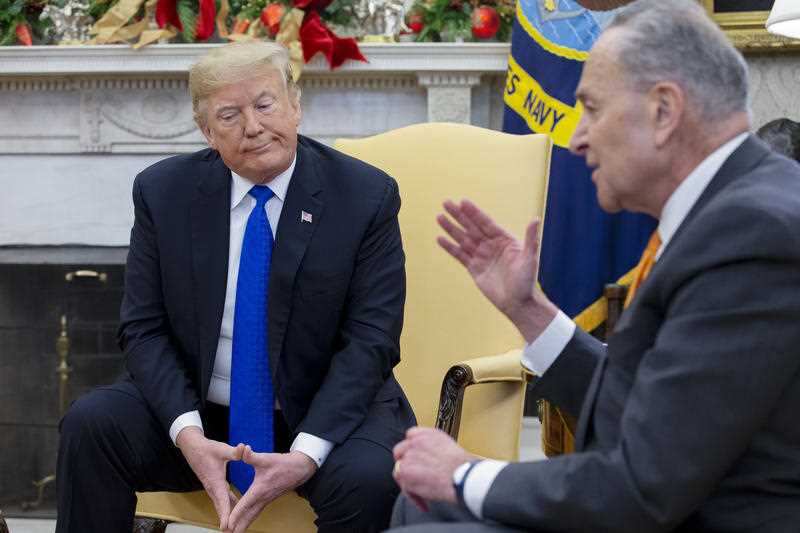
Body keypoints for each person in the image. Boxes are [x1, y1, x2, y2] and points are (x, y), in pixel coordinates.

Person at [389, 1, 800, 531]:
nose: (577, 137)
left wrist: (467, 473)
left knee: (433, 508)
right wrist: (529, 311)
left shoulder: (751, 235)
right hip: (675, 496)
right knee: (420, 504)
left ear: (663, 111)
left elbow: (643, 485)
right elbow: (655, 405)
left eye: (591, 108)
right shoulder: (729, 206)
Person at [56, 41, 415, 533]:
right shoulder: (164, 193)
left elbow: (371, 340)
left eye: (265, 105)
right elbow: (143, 328)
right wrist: (187, 434)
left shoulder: (365, 196)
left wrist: (305, 454)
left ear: (295, 105)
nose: (252, 126)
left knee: (371, 479)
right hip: (202, 411)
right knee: (91, 424)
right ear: (207, 131)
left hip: (323, 409)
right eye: (229, 115)